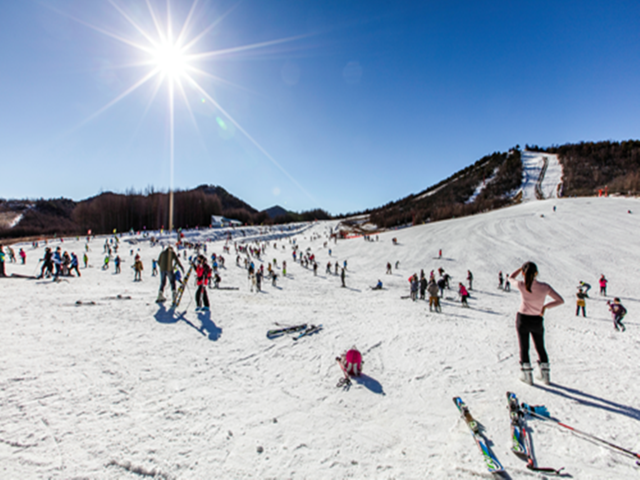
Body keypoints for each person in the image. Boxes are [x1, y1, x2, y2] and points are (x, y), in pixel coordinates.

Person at [510, 262, 564, 385]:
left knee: (524, 347)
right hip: (537, 319)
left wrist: (520, 269)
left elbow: (510, 278)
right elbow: (560, 300)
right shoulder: (545, 287)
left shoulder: (521, 285)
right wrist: (544, 307)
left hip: (523, 318)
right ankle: (545, 375)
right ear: (536, 273)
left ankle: (527, 375)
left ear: (523, 273)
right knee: (540, 346)